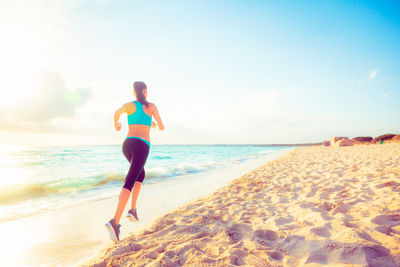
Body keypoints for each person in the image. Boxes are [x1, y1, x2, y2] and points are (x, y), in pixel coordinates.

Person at [106, 81, 164, 243]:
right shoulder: (151, 106)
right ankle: (115, 222)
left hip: (127, 144)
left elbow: (116, 113)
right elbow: (161, 127)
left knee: (141, 174)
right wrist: (153, 123)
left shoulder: (129, 105)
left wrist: (116, 125)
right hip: (142, 145)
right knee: (130, 180)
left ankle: (132, 210)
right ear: (145, 91)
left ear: (134, 92)